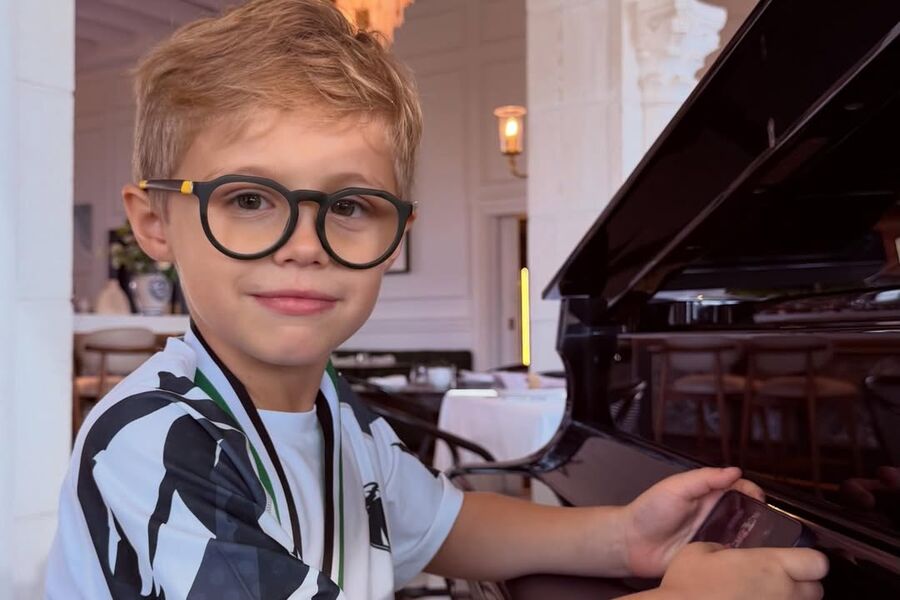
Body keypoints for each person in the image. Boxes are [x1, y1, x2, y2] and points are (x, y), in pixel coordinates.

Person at [45, 1, 828, 598]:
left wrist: (622, 537)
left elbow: (444, 527)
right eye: (249, 199)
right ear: (154, 223)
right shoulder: (151, 441)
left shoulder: (335, 412)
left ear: (396, 232)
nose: (304, 244)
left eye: (349, 206)